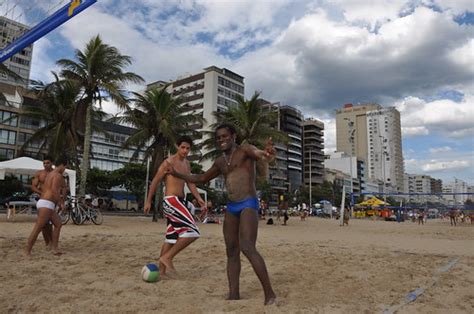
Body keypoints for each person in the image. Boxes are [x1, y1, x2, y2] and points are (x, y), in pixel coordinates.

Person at [169, 123, 277, 305]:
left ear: (233, 136)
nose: (221, 140)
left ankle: (270, 294)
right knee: (231, 251)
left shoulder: (245, 150)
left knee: (247, 247)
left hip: (248, 204)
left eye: (225, 136)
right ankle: (234, 294)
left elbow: (260, 155)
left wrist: (267, 155)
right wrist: (178, 174)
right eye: (218, 137)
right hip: (232, 207)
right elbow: (202, 178)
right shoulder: (220, 162)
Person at [143, 136, 207, 277]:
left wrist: (199, 198)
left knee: (171, 237)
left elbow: (190, 183)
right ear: (177, 146)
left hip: (181, 201)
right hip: (172, 201)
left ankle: (161, 271)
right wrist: (148, 201)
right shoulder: (168, 162)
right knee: (193, 232)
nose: (185, 150)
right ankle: (167, 258)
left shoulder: (187, 164)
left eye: (188, 148)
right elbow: (155, 181)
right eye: (182, 147)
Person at [25, 157, 68, 256]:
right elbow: (54, 191)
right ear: (62, 165)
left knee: (58, 224)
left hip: (45, 202)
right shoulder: (57, 176)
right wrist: (61, 203)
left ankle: (54, 248)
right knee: (38, 228)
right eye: (65, 167)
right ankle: (26, 251)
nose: (65, 169)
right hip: (46, 203)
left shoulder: (51, 174)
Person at [30, 155, 54, 248]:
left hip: (53, 200)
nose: (45, 164)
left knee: (51, 223)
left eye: (47, 163)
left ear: (52, 163)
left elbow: (61, 187)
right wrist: (41, 193)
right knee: (44, 224)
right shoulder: (39, 173)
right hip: (43, 200)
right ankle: (48, 243)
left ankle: (52, 242)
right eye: (44, 163)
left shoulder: (55, 174)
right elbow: (33, 186)